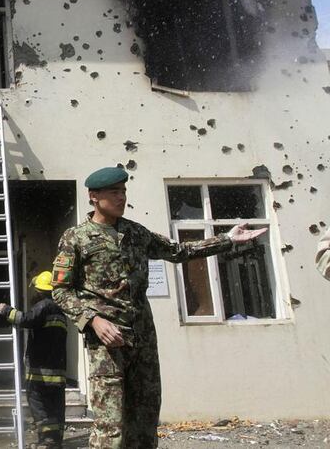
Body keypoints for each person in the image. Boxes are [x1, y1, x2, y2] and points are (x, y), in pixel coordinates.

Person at [51, 167, 267, 449]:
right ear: (94, 197)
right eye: (114, 192)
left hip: (144, 343)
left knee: (145, 422)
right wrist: (92, 320)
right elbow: (61, 289)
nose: (121, 197)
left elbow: (179, 251)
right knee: (111, 430)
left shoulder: (136, 233)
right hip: (108, 346)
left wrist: (226, 239)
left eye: (124, 191)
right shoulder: (76, 238)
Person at [0, 270, 68, 449]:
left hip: (41, 370)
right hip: (58, 370)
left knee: (39, 403)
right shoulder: (61, 311)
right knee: (55, 405)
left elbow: (26, 319)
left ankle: (47, 441)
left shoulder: (44, 306)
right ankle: (56, 441)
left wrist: (7, 310)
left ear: (39, 290)